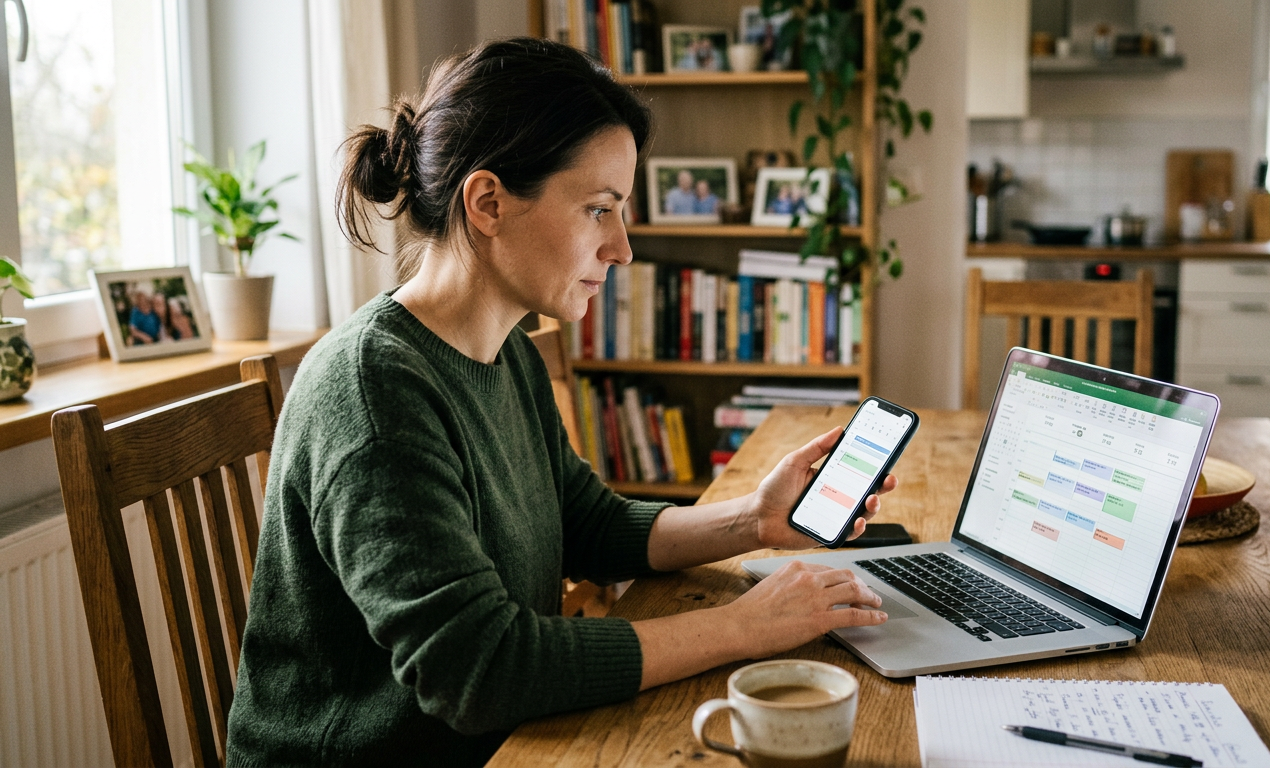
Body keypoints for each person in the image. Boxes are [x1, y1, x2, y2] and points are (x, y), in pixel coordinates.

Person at [225, 38, 893, 768]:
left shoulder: (502, 346)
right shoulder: (376, 393)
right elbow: (480, 670)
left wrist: (754, 520)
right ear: (488, 203)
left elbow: (587, 523)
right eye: (598, 210)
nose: (623, 249)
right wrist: (745, 626)